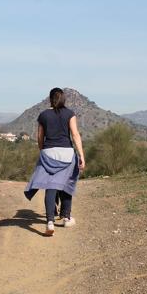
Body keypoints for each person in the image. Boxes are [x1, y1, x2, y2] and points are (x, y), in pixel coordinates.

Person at [24, 87, 86, 236]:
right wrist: (82, 156)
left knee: (50, 187)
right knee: (66, 184)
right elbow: (75, 135)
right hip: (66, 154)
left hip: (48, 153)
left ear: (50, 99)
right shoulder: (70, 114)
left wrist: (43, 151)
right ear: (64, 99)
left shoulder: (43, 115)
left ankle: (50, 221)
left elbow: (40, 137)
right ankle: (66, 217)